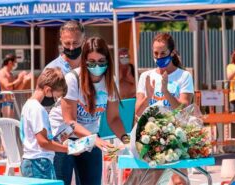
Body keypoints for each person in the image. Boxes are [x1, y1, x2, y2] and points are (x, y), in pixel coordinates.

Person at [50, 37, 129, 185]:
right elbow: (70, 121)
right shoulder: (72, 78)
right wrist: (96, 140)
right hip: (63, 136)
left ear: (108, 60)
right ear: (84, 61)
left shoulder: (110, 81)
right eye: (91, 61)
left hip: (90, 136)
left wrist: (126, 140)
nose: (96, 66)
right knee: (61, 181)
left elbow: (114, 118)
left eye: (101, 61)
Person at [132, 33, 194, 185]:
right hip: (150, 137)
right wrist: (148, 97)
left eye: (163, 53)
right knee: (149, 180)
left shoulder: (184, 76)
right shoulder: (146, 76)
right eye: (155, 53)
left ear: (172, 53)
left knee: (179, 181)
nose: (159, 57)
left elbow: (183, 109)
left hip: (176, 137)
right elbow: (138, 112)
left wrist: (166, 92)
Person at [20, 68, 69, 179]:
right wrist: (68, 149)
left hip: (32, 161)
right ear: (47, 90)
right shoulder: (38, 109)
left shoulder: (28, 105)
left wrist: (58, 141)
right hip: (39, 164)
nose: (55, 100)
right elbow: (43, 142)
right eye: (55, 96)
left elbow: (37, 140)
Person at [42, 20, 85, 109]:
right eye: (67, 43)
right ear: (61, 41)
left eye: (76, 43)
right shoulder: (51, 69)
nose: (71, 47)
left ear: (84, 40)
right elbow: (42, 103)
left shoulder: (91, 67)